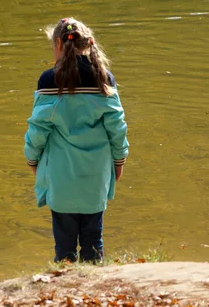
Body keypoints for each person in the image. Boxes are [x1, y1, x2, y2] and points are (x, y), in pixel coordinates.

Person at [24, 17, 129, 263]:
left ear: (58, 43)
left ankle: (66, 285)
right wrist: (119, 160)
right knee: (94, 239)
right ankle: (93, 283)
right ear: (88, 44)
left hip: (61, 177)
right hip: (96, 175)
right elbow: (117, 129)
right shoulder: (104, 79)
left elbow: (38, 130)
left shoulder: (50, 81)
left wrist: (32, 159)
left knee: (64, 245)